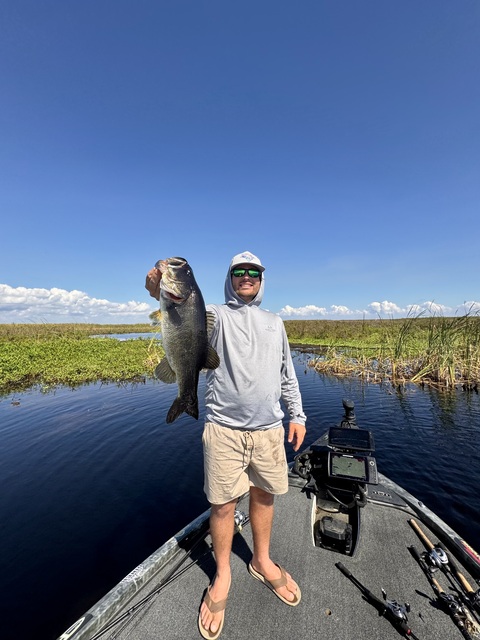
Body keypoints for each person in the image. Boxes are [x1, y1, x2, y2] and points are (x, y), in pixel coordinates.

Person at [145, 251, 306, 640]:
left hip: (269, 429)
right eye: (239, 272)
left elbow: (287, 371)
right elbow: (177, 310)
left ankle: (262, 561)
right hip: (224, 431)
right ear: (230, 278)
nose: (246, 277)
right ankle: (223, 574)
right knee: (223, 504)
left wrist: (297, 414)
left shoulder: (274, 322)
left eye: (253, 272)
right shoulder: (212, 314)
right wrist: (155, 286)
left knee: (264, 497)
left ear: (261, 279)